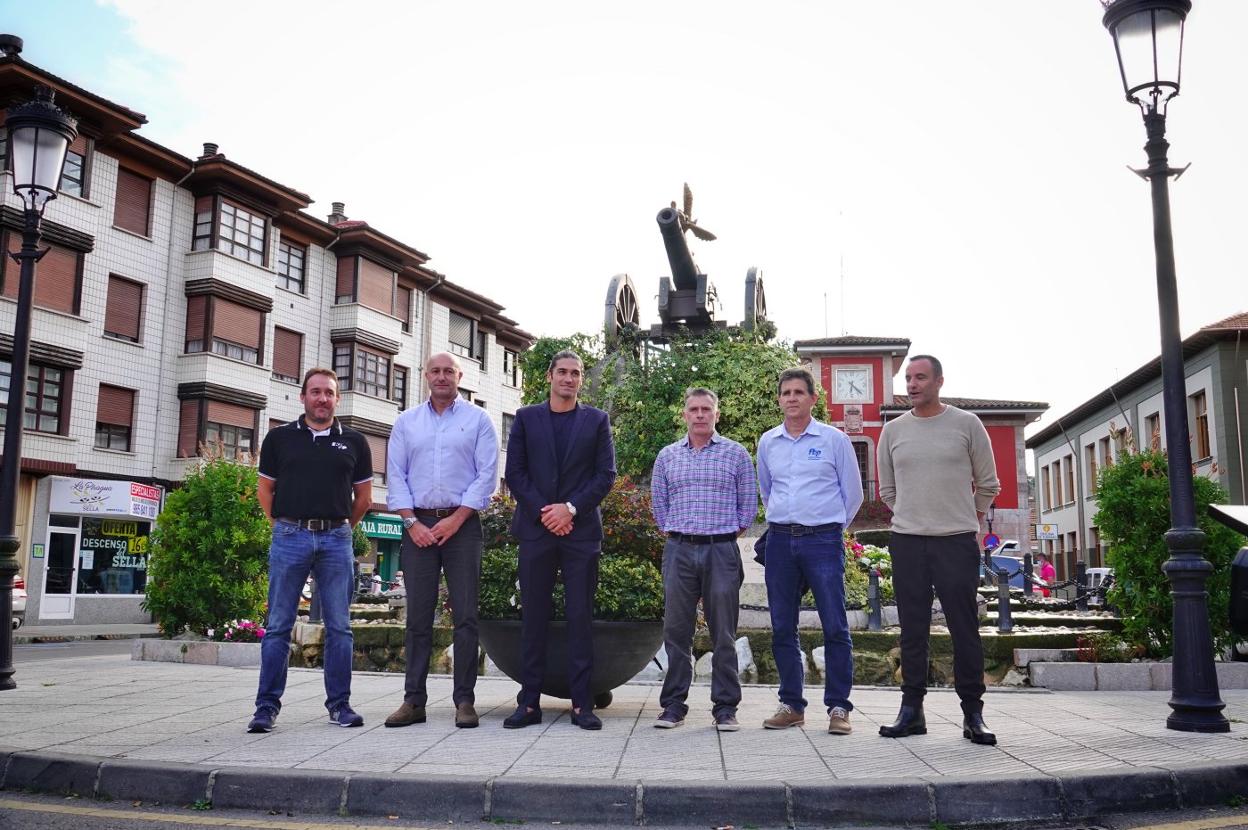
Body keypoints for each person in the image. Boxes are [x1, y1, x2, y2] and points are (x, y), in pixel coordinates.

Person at [877, 354, 1001, 746]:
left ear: (939, 382)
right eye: (908, 378)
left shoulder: (967, 424)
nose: (912, 384)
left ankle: (972, 714)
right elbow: (887, 490)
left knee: (964, 629)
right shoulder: (892, 431)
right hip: (908, 542)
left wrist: (970, 516)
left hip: (957, 542)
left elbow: (988, 483)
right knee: (912, 630)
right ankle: (911, 711)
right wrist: (914, 516)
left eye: (920, 378)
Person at [248, 368, 373, 733]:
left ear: (337, 399)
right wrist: (283, 527)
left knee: (340, 627)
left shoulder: (355, 441)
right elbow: (264, 491)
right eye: (315, 392)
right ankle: (265, 708)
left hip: (336, 538)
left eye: (329, 393)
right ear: (302, 397)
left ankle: (340, 706)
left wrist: (343, 528)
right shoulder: (279, 439)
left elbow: (363, 497)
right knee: (278, 627)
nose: (322, 399)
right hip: (290, 535)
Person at [384, 352, 499, 729]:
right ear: (425, 376)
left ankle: (464, 701)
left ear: (460, 376)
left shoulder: (478, 420)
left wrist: (457, 518)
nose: (442, 376)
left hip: (462, 527)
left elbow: (487, 475)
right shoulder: (406, 422)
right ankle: (413, 701)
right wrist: (411, 522)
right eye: (435, 370)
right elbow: (395, 476)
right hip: (417, 527)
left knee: (465, 617)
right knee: (417, 617)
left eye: (449, 371)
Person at [503, 350, 616, 730]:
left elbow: (605, 475)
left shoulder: (597, 421)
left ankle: (582, 704)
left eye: (576, 373)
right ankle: (529, 703)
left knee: (580, 618)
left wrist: (569, 509)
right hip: (536, 531)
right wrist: (546, 512)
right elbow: (515, 473)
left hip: (580, 533)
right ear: (550, 376)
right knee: (533, 617)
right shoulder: (525, 418)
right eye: (563, 372)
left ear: (581, 380)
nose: (569, 378)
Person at [756, 367, 863, 734]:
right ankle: (792, 705)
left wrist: (829, 528)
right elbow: (767, 491)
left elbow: (854, 494)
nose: (791, 398)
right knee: (782, 625)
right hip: (781, 541)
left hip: (823, 540)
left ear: (813, 398)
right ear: (779, 399)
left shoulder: (834, 440)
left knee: (835, 624)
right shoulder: (768, 442)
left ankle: (838, 708)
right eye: (785, 392)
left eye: (799, 392)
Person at [650, 388, 756, 732]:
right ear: (684, 415)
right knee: (676, 630)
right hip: (679, 549)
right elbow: (659, 504)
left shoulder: (736, 454)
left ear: (717, 414)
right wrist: (679, 532)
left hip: (721, 550)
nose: (699, 414)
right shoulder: (667, 456)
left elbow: (747, 507)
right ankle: (674, 705)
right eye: (693, 409)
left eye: (706, 409)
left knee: (723, 632)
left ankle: (725, 708)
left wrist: (722, 536)